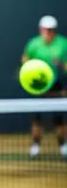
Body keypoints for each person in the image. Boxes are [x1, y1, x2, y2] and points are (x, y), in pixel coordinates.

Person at [21, 15, 67, 158]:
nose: (48, 33)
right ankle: (35, 146)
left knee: (59, 120)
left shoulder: (63, 44)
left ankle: (63, 145)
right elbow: (24, 60)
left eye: (51, 30)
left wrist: (60, 64)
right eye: (45, 30)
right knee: (36, 119)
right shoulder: (33, 44)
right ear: (41, 30)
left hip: (56, 85)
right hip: (37, 86)